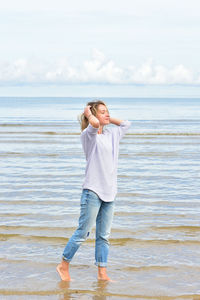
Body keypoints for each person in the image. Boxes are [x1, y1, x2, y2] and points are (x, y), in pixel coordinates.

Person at [57, 100, 131, 281]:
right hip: (93, 191)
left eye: (108, 111)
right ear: (92, 116)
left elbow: (126, 124)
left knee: (104, 236)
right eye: (103, 112)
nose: (107, 114)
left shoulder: (111, 135)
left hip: (110, 192)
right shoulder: (88, 136)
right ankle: (63, 265)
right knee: (83, 232)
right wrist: (90, 115)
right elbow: (95, 125)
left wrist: (106, 117)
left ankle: (102, 273)